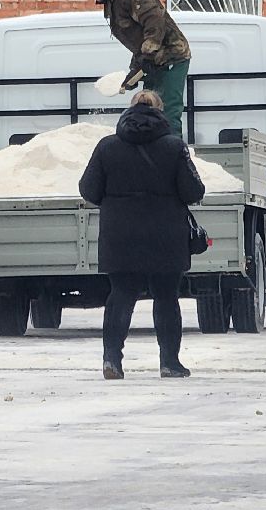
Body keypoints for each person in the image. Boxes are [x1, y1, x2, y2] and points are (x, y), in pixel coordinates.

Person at [79, 89, 206, 379]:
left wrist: (119, 201)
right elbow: (193, 191)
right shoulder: (174, 147)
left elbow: (88, 190)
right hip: (166, 235)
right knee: (166, 297)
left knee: (120, 296)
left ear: (129, 110)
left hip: (120, 234)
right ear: (160, 112)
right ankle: (170, 363)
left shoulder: (107, 146)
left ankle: (112, 360)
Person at [76, 0, 192, 137]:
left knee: (167, 112)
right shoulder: (112, 2)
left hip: (171, 57)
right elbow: (138, 40)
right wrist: (135, 69)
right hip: (153, 61)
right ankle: (151, 156)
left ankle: (173, 155)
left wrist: (147, 56)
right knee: (147, 111)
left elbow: (155, 22)